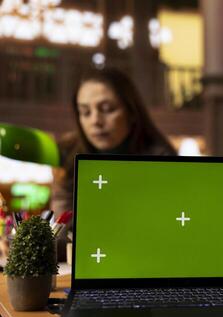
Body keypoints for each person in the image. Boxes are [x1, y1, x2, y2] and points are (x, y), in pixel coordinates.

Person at [51, 68, 176, 258]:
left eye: (107, 109)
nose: (95, 121)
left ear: (132, 112)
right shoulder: (68, 154)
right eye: (85, 112)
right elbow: (60, 232)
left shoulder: (161, 159)